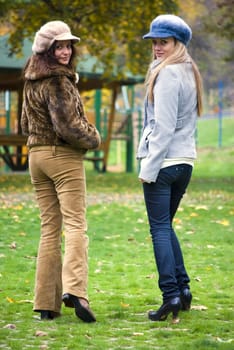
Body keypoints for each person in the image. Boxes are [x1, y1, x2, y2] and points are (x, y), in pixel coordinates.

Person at [21, 20, 101, 322]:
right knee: (76, 225)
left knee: (49, 229)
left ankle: (46, 304)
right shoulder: (58, 81)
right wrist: (94, 137)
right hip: (62, 157)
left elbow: (25, 126)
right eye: (59, 46)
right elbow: (68, 126)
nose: (65, 51)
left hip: (36, 157)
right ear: (47, 49)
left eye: (68, 45)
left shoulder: (30, 79)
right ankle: (76, 292)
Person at [137, 14, 203, 321]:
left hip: (164, 163)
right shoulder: (189, 72)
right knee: (166, 226)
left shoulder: (167, 74)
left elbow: (162, 127)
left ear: (178, 44)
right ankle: (184, 290)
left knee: (159, 229)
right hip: (184, 163)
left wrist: (149, 168)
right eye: (154, 42)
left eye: (163, 42)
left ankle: (170, 295)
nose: (157, 48)